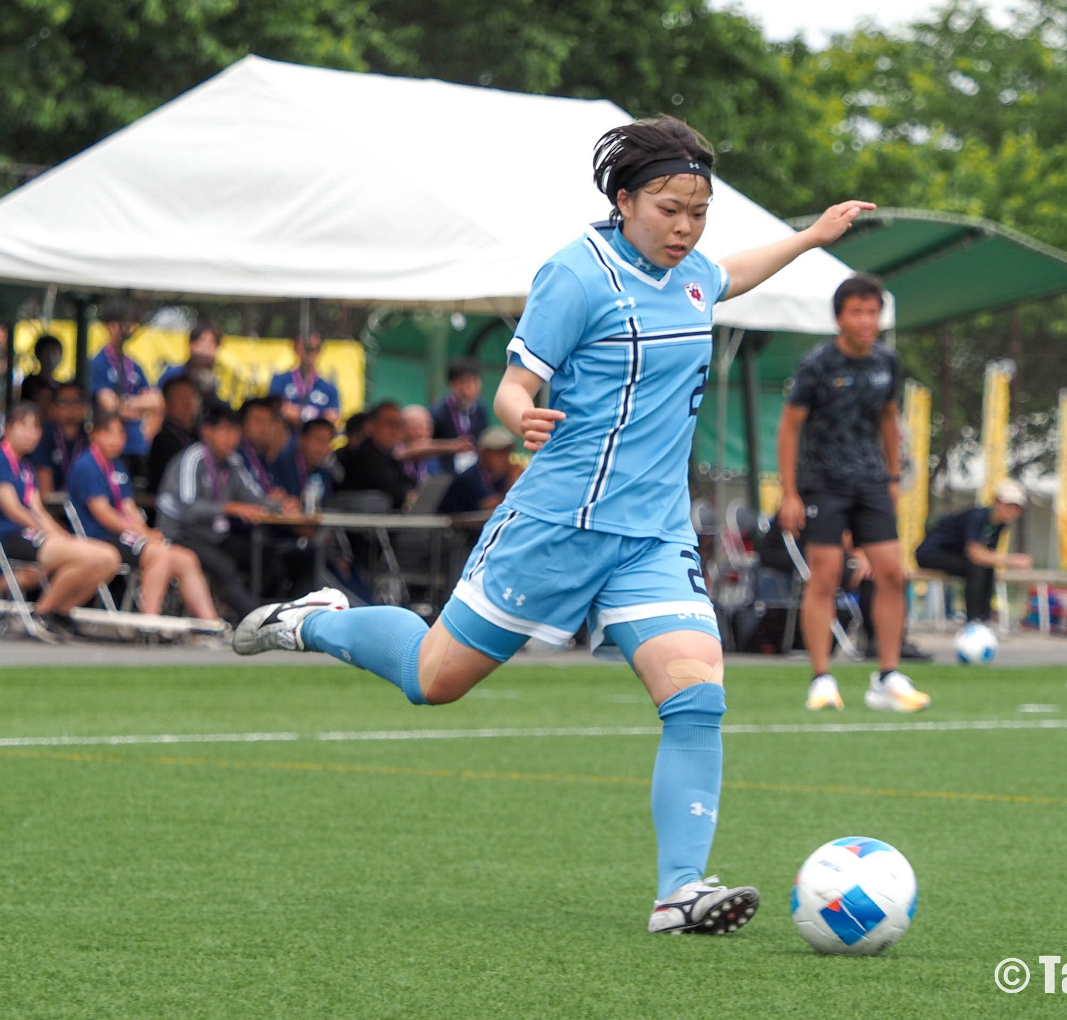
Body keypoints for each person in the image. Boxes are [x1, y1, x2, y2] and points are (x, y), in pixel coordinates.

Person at [233, 114, 874, 936]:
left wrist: (811, 236)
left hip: (652, 536)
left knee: (697, 697)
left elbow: (729, 274)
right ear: (623, 199)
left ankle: (679, 893)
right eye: (669, 209)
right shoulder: (577, 274)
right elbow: (514, 384)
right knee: (434, 679)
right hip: (556, 525)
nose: (685, 227)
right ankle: (320, 624)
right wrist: (522, 416)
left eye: (698, 212)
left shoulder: (689, 273)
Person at [776, 275, 930, 714]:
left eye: (872, 312)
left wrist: (894, 478)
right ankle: (821, 678)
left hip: (872, 482)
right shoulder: (817, 365)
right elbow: (789, 428)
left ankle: (888, 677)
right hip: (823, 482)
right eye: (857, 312)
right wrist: (789, 493)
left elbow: (888, 418)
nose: (866, 321)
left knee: (893, 574)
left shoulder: (887, 363)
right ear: (840, 317)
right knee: (824, 578)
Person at [67, 411, 221, 622]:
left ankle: (210, 623)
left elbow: (129, 507)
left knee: (186, 559)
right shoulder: (86, 465)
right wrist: (141, 534)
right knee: (158, 554)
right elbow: (103, 514)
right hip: (101, 538)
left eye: (120, 434)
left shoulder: (118, 466)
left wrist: (147, 532)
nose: (116, 440)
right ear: (94, 435)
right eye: (108, 434)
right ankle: (150, 619)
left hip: (126, 536)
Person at [0, 401, 121, 637]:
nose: (30, 434)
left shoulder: (26, 467)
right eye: (23, 426)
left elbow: (37, 508)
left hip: (30, 534)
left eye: (35, 428)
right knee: (85, 556)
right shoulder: (2, 459)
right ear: (9, 428)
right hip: (9, 534)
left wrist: (59, 532)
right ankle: (42, 612)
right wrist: (48, 533)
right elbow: (12, 508)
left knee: (109, 558)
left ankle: (61, 611)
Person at [155, 405, 283, 622]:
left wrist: (279, 504)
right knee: (224, 566)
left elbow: (255, 498)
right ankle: (258, 620)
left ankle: (260, 611)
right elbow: (189, 509)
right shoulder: (192, 459)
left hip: (212, 535)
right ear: (207, 431)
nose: (230, 438)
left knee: (267, 556)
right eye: (223, 430)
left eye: (234, 431)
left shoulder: (233, 462)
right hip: (180, 534)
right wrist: (228, 507)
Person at [915, 481, 1031, 623]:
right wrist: (1012, 560)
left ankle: (984, 618)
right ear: (997, 502)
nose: (1012, 511)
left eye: (1016, 508)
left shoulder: (1000, 525)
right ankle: (973, 619)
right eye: (1009, 505)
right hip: (931, 554)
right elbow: (975, 554)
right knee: (977, 566)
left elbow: (988, 554)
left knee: (987, 568)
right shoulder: (977, 517)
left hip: (956, 556)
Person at [88, 301, 163, 483]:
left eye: (131, 323)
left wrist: (126, 403)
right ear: (109, 326)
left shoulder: (134, 365)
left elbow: (157, 402)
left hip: (138, 446)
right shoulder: (98, 363)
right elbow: (109, 405)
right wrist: (138, 406)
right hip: (110, 446)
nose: (127, 329)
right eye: (121, 323)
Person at [335, 401, 413, 510]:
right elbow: (394, 494)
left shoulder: (392, 458)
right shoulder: (359, 456)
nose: (395, 431)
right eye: (390, 424)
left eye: (399, 425)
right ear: (371, 425)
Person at [158, 321, 232, 414]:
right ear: (191, 344)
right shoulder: (174, 375)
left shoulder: (221, 380)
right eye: (202, 341)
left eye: (212, 343)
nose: (206, 348)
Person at [438, 427, 518, 513]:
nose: (505, 459)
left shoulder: (501, 477)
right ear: (483, 453)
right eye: (500, 453)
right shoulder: (469, 478)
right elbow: (490, 507)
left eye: (507, 453)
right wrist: (513, 479)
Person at [269, 330, 341, 426]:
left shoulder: (329, 388)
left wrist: (298, 413)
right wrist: (319, 415)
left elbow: (332, 419)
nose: (309, 353)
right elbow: (279, 410)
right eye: (306, 348)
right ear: (296, 348)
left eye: (314, 348)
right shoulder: (279, 381)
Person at [146, 375, 201, 496]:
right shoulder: (162, 440)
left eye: (192, 398)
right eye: (181, 398)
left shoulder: (200, 435)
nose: (188, 404)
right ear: (167, 403)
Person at [429, 359, 487, 469]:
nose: (471, 387)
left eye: (475, 381)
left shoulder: (481, 410)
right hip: (445, 470)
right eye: (465, 382)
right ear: (452, 384)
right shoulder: (439, 412)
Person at [32, 383, 87, 499]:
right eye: (64, 402)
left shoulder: (90, 436)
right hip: (53, 506)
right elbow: (45, 491)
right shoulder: (44, 436)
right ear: (52, 408)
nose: (70, 407)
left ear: (84, 408)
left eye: (76, 401)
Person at [274, 417, 339, 504]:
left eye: (327, 441)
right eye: (317, 439)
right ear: (302, 439)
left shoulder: (325, 474)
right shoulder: (281, 466)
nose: (322, 447)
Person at [19, 333, 64, 410]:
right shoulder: (31, 383)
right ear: (38, 354)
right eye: (47, 352)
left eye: (55, 352)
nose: (51, 357)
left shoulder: (61, 386)